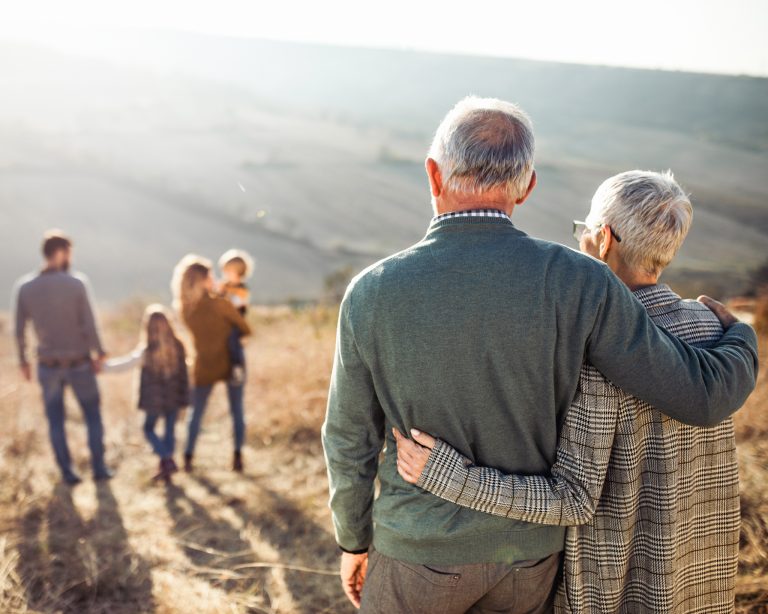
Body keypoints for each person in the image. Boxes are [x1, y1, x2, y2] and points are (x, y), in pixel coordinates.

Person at [321, 97, 758, 613]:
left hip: (418, 552)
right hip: (529, 560)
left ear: (433, 175)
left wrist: (353, 540)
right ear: (527, 186)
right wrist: (741, 339)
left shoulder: (372, 291)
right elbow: (696, 394)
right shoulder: (579, 280)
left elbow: (349, 439)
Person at [394, 169, 744, 613]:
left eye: (582, 231)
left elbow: (574, 499)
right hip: (701, 583)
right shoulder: (712, 327)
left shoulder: (591, 351)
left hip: (617, 589)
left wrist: (450, 477)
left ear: (602, 240)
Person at [13, 230, 113, 484]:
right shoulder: (76, 283)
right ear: (60, 253)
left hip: (47, 365)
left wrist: (23, 361)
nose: (70, 258)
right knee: (92, 415)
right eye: (69, 252)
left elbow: (19, 329)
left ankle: (68, 473)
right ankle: (99, 469)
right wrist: (100, 352)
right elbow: (89, 324)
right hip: (79, 362)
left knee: (55, 420)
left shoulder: (25, 287)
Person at [171, 254, 251, 473]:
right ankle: (237, 456)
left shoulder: (185, 309)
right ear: (204, 280)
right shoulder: (221, 304)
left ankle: (187, 457)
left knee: (195, 413)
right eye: (211, 275)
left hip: (204, 363)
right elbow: (245, 328)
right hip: (231, 361)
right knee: (237, 410)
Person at [103, 305, 189, 483]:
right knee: (169, 431)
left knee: (148, 429)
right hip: (174, 397)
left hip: (154, 400)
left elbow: (125, 364)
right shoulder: (178, 346)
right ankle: (166, 465)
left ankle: (166, 459)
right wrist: (185, 396)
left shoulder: (147, 350)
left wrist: (102, 367)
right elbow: (185, 375)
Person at [217, 249, 254, 386]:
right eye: (225, 271)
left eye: (229, 272)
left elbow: (239, 308)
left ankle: (236, 366)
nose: (226, 275)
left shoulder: (242, 289)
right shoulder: (224, 286)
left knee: (233, 340)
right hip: (223, 322)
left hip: (235, 323)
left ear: (239, 273)